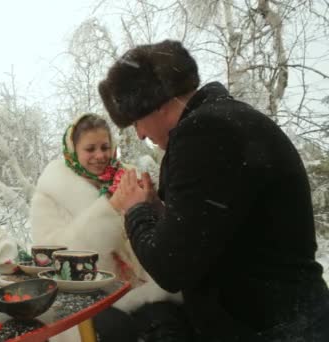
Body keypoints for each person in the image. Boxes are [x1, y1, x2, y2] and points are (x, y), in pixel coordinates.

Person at [99, 39, 329, 341]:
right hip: (288, 317)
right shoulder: (228, 120)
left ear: (156, 104)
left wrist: (135, 210)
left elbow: (171, 267)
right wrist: (158, 208)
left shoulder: (203, 134)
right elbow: (216, 230)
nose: (140, 134)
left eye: (136, 122)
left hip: (273, 327)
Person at [30, 113, 184, 341]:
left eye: (105, 147)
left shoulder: (126, 178)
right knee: (119, 331)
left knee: (170, 324)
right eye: (90, 149)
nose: (100, 156)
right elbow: (54, 258)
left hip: (142, 288)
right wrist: (109, 209)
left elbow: (158, 234)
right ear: (73, 150)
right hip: (85, 298)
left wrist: (152, 204)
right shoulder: (49, 195)